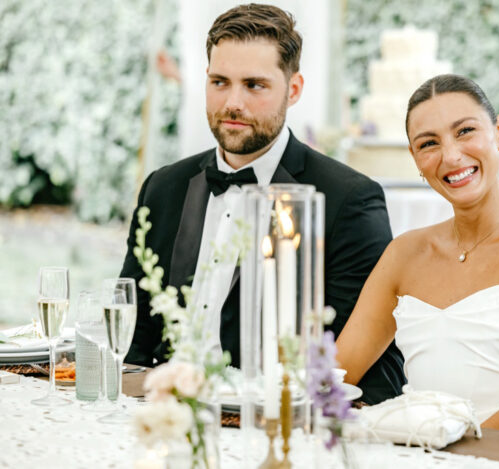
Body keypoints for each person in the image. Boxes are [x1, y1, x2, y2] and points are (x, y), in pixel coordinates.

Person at [119, 4, 405, 404]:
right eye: (220, 82)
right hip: (166, 413)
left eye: (254, 85)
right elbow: (132, 338)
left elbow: (372, 369)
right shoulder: (163, 188)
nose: (233, 102)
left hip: (274, 419)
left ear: (294, 89)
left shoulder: (347, 200)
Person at [334, 74, 499, 435]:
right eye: (429, 143)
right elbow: (334, 376)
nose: (451, 156)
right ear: (416, 159)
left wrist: (450, 451)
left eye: (465, 131)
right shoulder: (405, 253)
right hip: (416, 452)